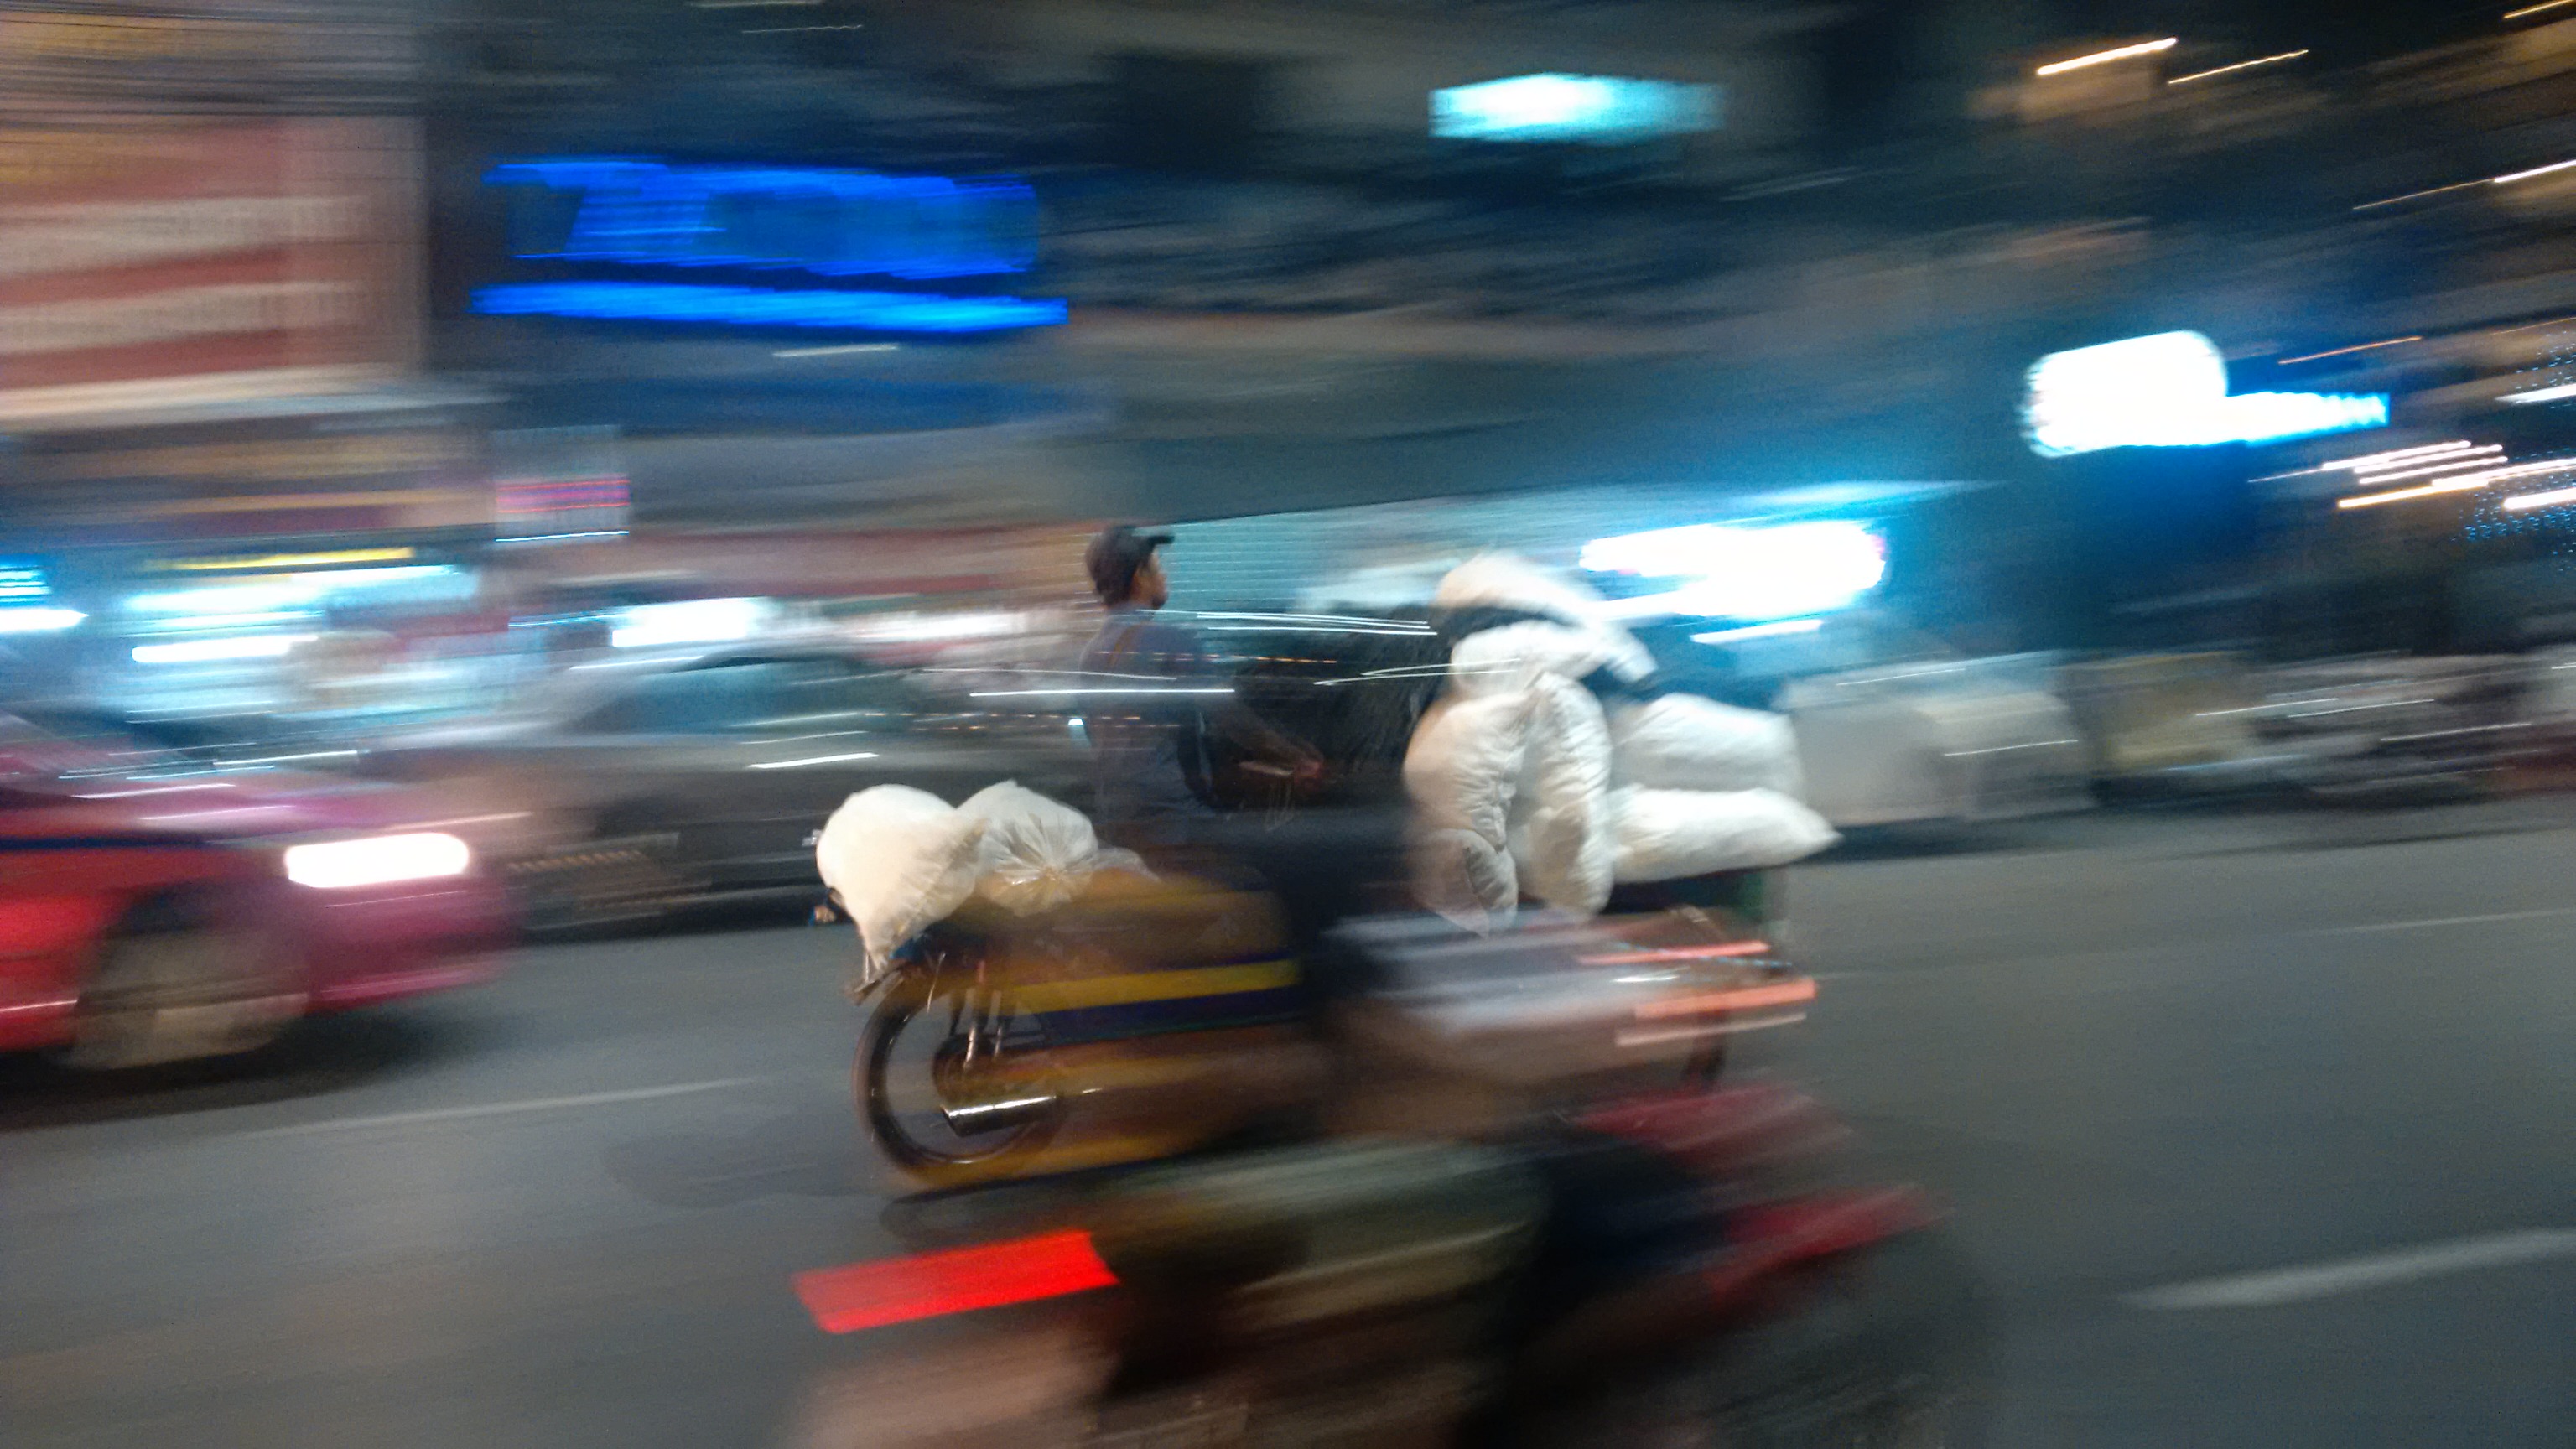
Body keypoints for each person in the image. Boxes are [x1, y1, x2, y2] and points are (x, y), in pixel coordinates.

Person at [1078, 524, 1321, 857]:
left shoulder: (1090, 654)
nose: (1165, 577)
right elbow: (1230, 717)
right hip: (1176, 824)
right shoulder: (1169, 640)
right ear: (1140, 577)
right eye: (1159, 569)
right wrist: (1298, 759)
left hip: (1118, 823)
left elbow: (1099, 735)